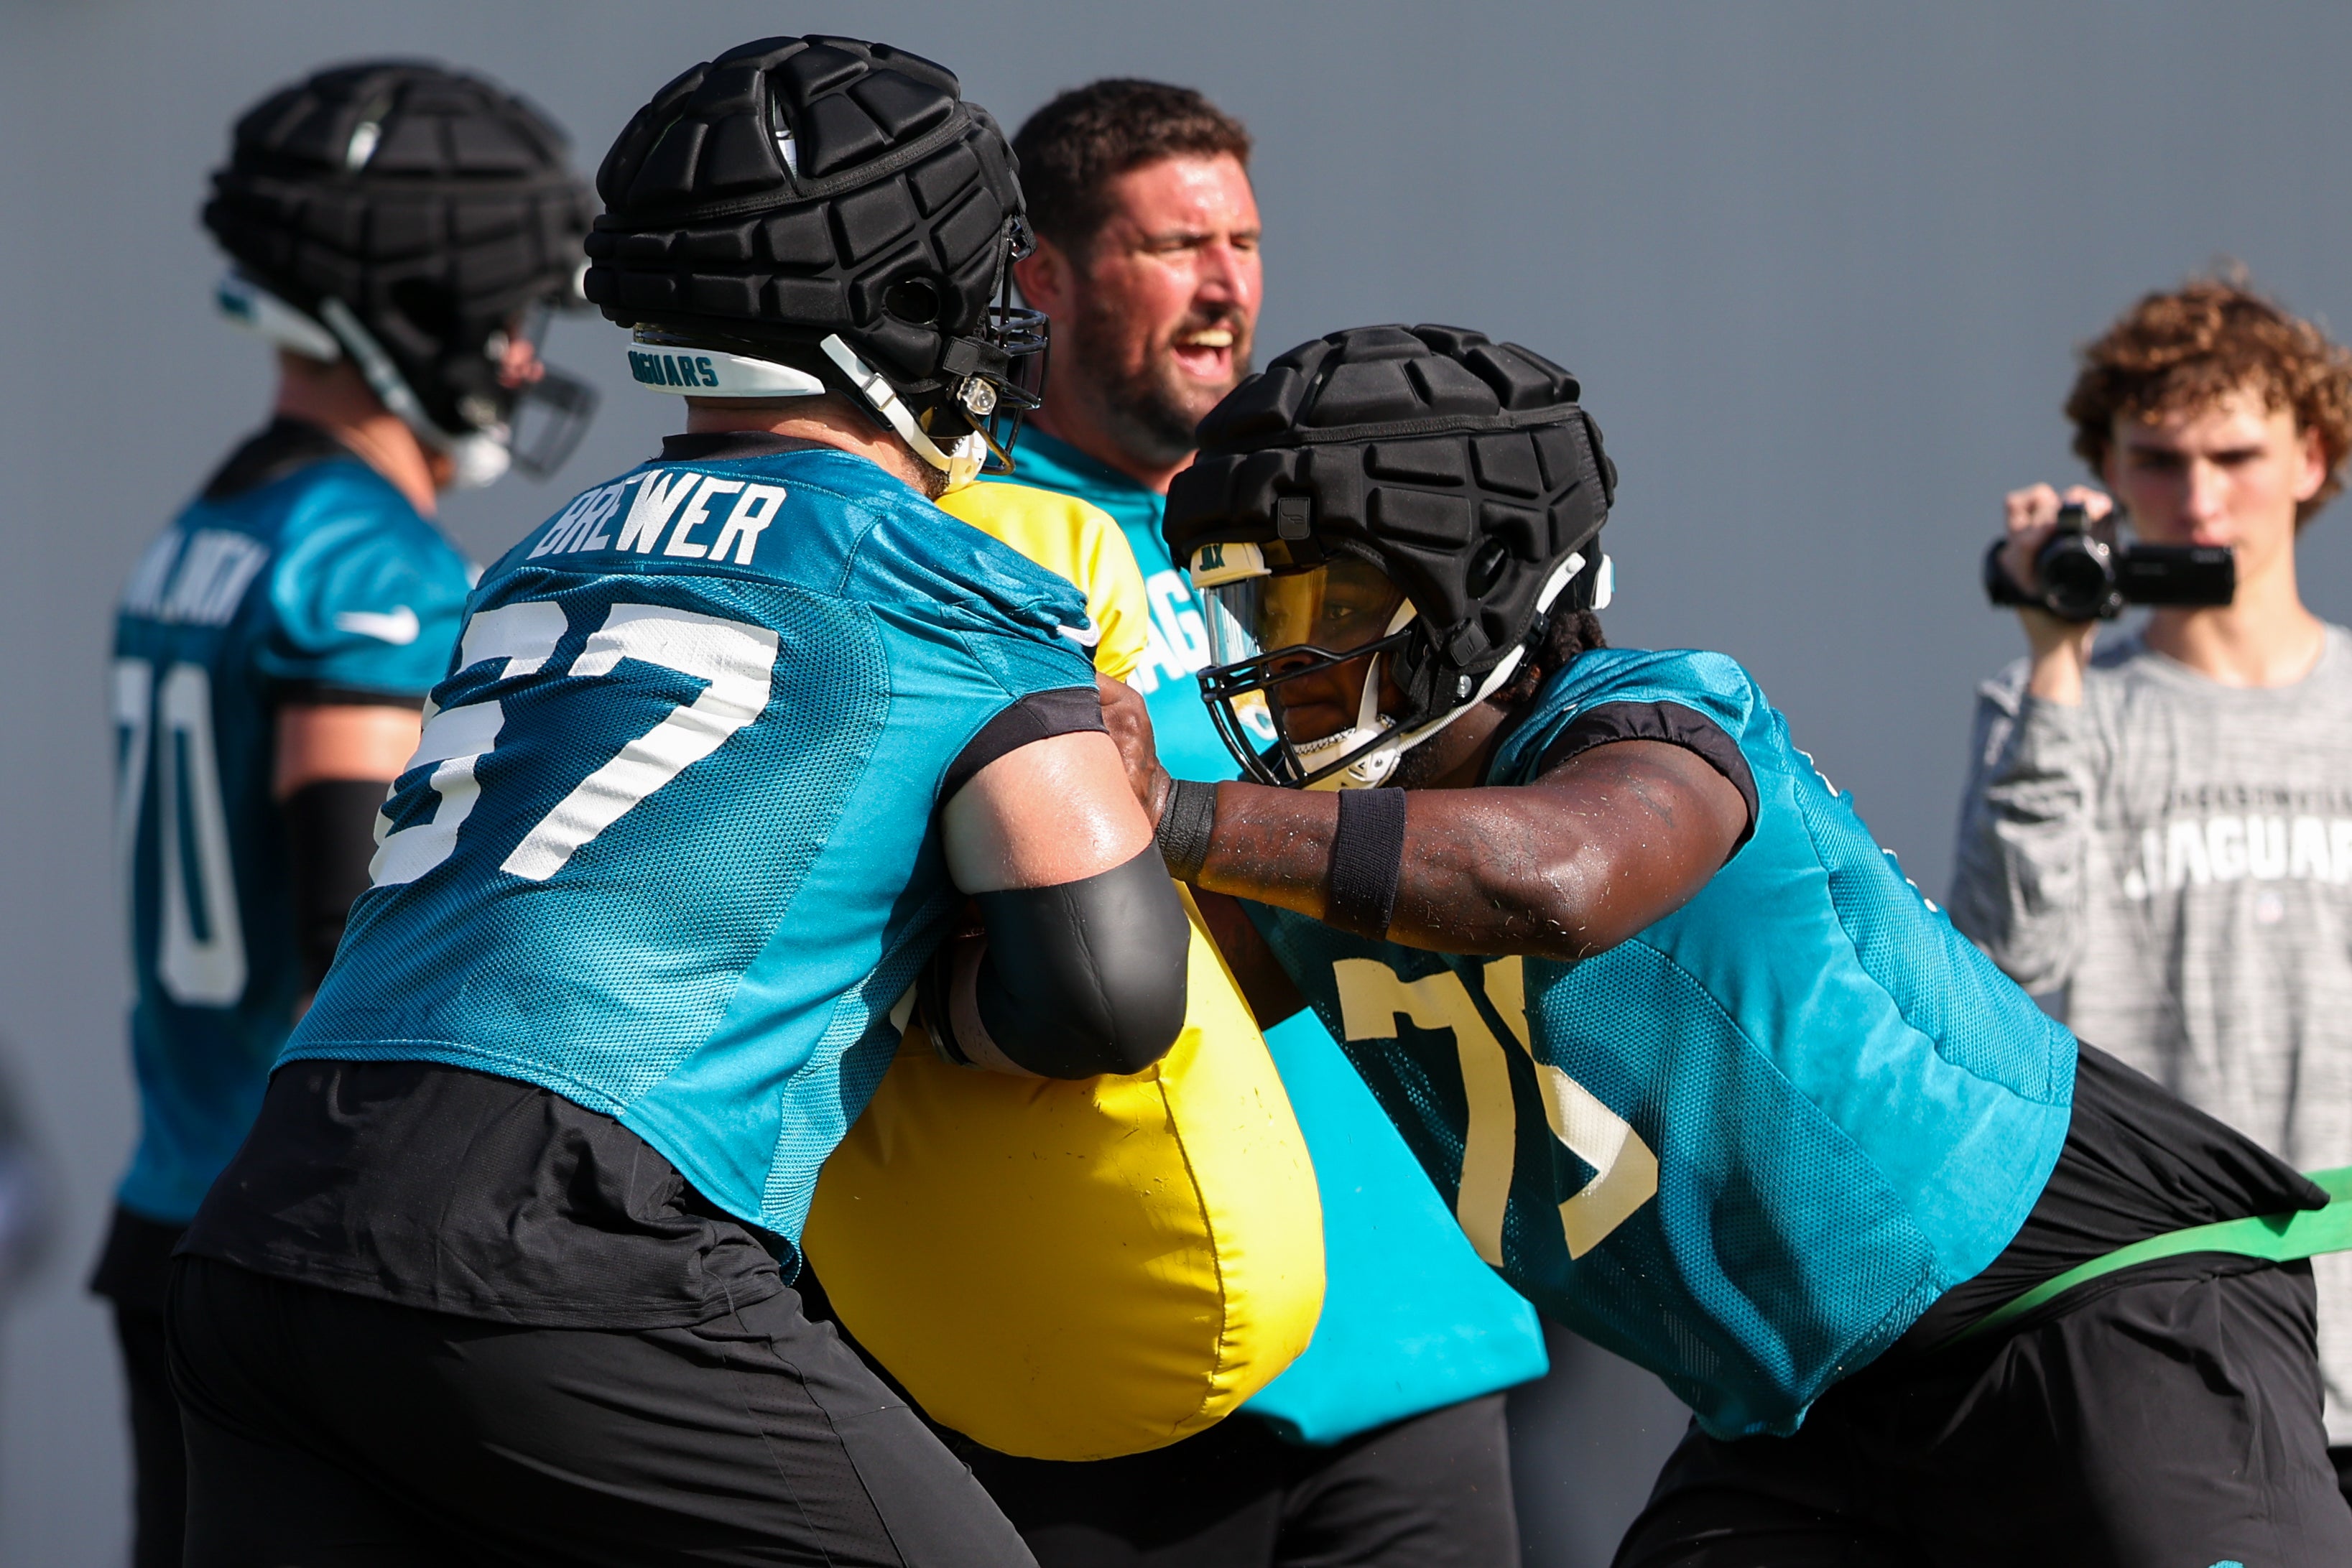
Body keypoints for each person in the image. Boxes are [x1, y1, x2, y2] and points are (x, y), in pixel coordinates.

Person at [163, 37, 1187, 1567]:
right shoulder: (940, 575)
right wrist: (940, 1005)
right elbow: (1110, 988)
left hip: (269, 1222)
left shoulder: (554, 546)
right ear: (908, 306)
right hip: (561, 1232)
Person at [1106, 321, 2352, 1564]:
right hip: (1801, 1415)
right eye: (1255, 605)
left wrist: (1176, 811)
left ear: (1473, 582)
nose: (1282, 654)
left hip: (2082, 1310)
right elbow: (1109, 1008)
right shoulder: (1301, 855)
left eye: (1326, 596)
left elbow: (1563, 882)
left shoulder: (1655, 718)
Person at [965, 80, 1547, 1567]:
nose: (1227, 285)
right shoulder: (963, 541)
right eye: (1175, 246)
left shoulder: (1323, 515)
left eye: (1243, 240)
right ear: (1043, 276)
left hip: (1403, 1314)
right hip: (1109, 1325)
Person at [94, 60, 597, 1568]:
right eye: (507, 312)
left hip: (168, 1208)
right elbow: (358, 925)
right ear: (419, 306)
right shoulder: (366, 565)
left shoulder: (209, 532)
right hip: (300, 1243)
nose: (520, 358)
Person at [1950, 277, 2352, 1503]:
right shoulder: (2053, 710)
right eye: (2159, 461)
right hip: (2165, 1326)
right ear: (2109, 475)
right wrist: (2056, 654)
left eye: (2235, 455)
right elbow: (1998, 984)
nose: (2200, 497)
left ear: (2311, 459)